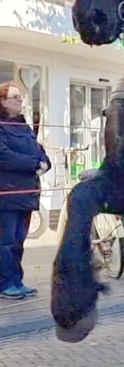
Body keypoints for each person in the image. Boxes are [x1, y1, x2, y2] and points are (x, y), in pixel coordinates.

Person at [0, 82, 50, 299]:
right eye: (15, 97)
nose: (20, 101)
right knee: (6, 241)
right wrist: (34, 164)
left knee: (19, 240)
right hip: (7, 195)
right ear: (2, 102)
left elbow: (39, 150)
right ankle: (4, 284)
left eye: (21, 97)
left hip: (27, 194)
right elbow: (4, 156)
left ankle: (16, 280)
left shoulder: (23, 126)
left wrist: (45, 162)